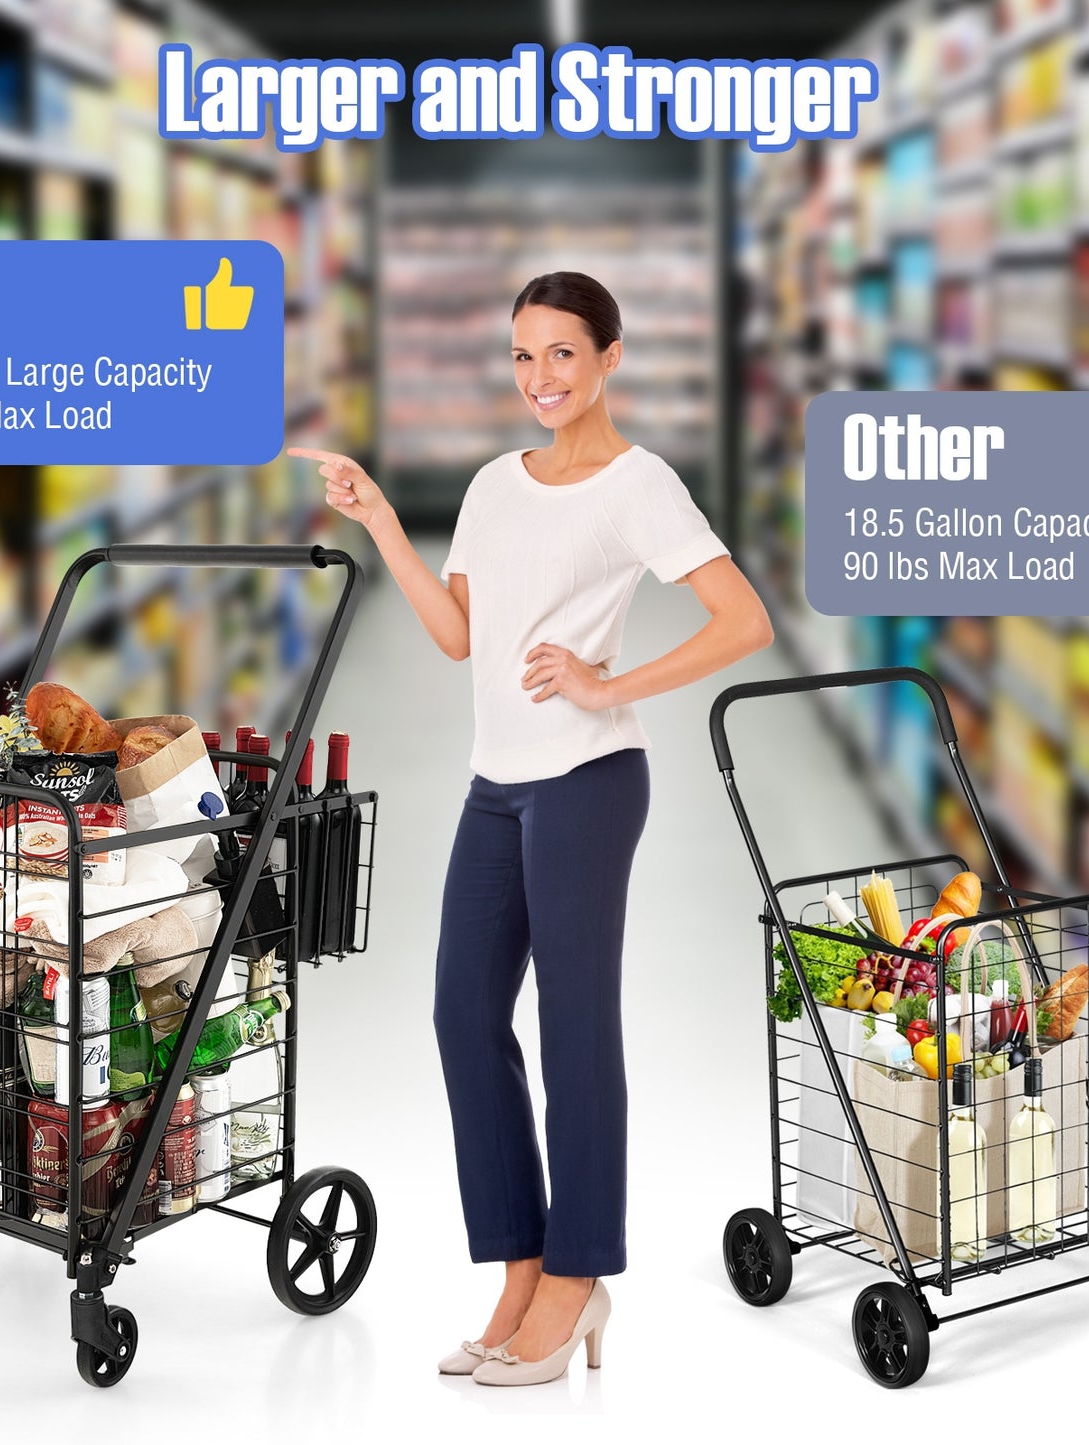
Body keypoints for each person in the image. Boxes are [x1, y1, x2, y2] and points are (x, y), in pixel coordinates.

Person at [289, 270, 772, 1386]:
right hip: (494, 781)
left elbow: (739, 617)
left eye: (560, 353)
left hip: (587, 782)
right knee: (462, 1011)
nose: (538, 378)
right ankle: (518, 1261)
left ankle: (579, 1272)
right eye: (520, 356)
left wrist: (612, 684)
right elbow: (461, 634)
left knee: (574, 1029)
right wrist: (376, 524)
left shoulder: (637, 484)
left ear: (609, 356)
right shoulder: (491, 484)